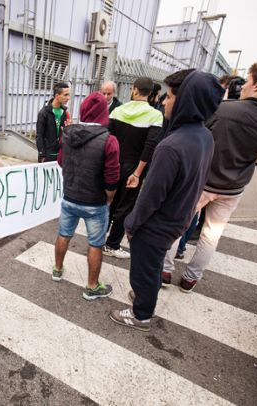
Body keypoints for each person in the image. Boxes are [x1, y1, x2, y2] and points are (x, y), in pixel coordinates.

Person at [163, 60, 257, 293]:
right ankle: (191, 278)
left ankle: (165, 269)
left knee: (178, 224)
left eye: (248, 81)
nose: (242, 85)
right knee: (211, 235)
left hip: (202, 179)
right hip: (234, 185)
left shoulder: (224, 110)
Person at [109, 69, 224, 331]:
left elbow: (151, 195)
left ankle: (141, 314)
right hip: (180, 217)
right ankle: (144, 297)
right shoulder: (204, 135)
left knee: (144, 269)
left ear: (186, 101)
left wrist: (132, 223)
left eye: (171, 97)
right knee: (153, 265)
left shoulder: (172, 146)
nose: (165, 102)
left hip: (157, 223)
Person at [53, 92, 119, 300]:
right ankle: (92, 286)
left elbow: (61, 162)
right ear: (103, 112)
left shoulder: (68, 133)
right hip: (95, 201)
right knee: (95, 244)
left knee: (64, 234)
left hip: (70, 196)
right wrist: (109, 198)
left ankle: (57, 269)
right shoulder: (109, 140)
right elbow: (112, 176)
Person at [103, 77, 163, 259]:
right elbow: (149, 147)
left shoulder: (118, 110)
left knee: (109, 202)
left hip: (114, 164)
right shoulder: (155, 115)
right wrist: (137, 174)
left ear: (134, 90)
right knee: (126, 206)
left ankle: (100, 236)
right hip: (134, 168)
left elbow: (107, 139)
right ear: (151, 93)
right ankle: (112, 245)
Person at [36, 82, 70, 162]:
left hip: (61, 153)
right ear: (57, 96)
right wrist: (42, 154)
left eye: (69, 95)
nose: (68, 98)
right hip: (48, 154)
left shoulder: (65, 111)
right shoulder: (44, 113)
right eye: (65, 95)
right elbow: (39, 136)